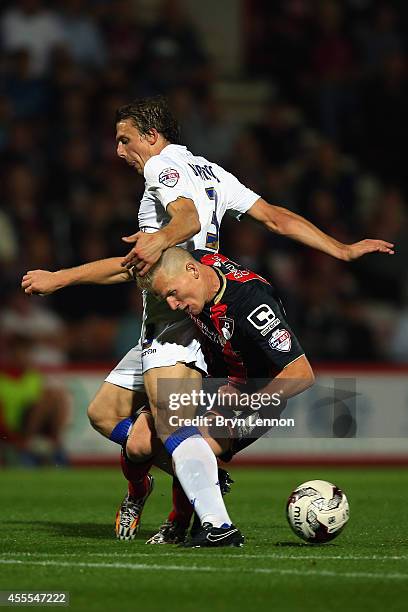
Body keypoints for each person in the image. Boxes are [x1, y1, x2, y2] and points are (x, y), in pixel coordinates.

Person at [22, 96, 394, 544]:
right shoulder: (213, 172)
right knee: (106, 417)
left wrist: (153, 241)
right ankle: (170, 483)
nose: (118, 151)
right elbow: (275, 218)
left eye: (125, 140)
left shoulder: (163, 168)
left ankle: (208, 519)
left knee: (171, 427)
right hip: (159, 323)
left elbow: (187, 219)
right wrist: (340, 248)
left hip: (181, 320)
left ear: (152, 136)